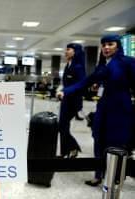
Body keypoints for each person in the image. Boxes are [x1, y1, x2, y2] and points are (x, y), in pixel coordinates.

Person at [57, 34, 135, 186]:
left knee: (116, 142)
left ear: (117, 46)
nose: (106, 47)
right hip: (104, 106)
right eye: (104, 45)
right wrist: (66, 91)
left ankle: (115, 176)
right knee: (98, 138)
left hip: (120, 108)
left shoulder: (128, 62)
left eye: (110, 44)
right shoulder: (102, 65)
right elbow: (86, 81)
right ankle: (98, 175)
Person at [57, 43, 86, 158]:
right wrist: (61, 90)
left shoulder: (78, 67)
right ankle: (65, 152)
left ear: (75, 52)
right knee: (63, 127)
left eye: (68, 49)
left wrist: (66, 91)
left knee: (62, 126)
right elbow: (67, 83)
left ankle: (73, 148)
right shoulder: (67, 65)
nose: (66, 51)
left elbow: (80, 84)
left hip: (73, 102)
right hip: (66, 101)